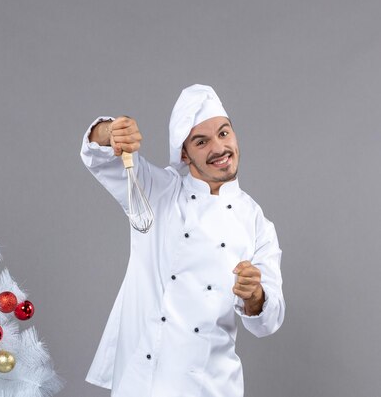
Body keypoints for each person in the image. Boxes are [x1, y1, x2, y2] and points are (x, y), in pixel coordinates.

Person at [80, 84, 285, 397]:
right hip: (145, 380)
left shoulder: (256, 223)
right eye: (202, 141)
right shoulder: (158, 191)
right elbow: (99, 158)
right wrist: (110, 132)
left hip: (211, 385)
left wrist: (255, 295)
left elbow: (267, 322)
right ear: (185, 155)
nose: (219, 148)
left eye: (224, 133)